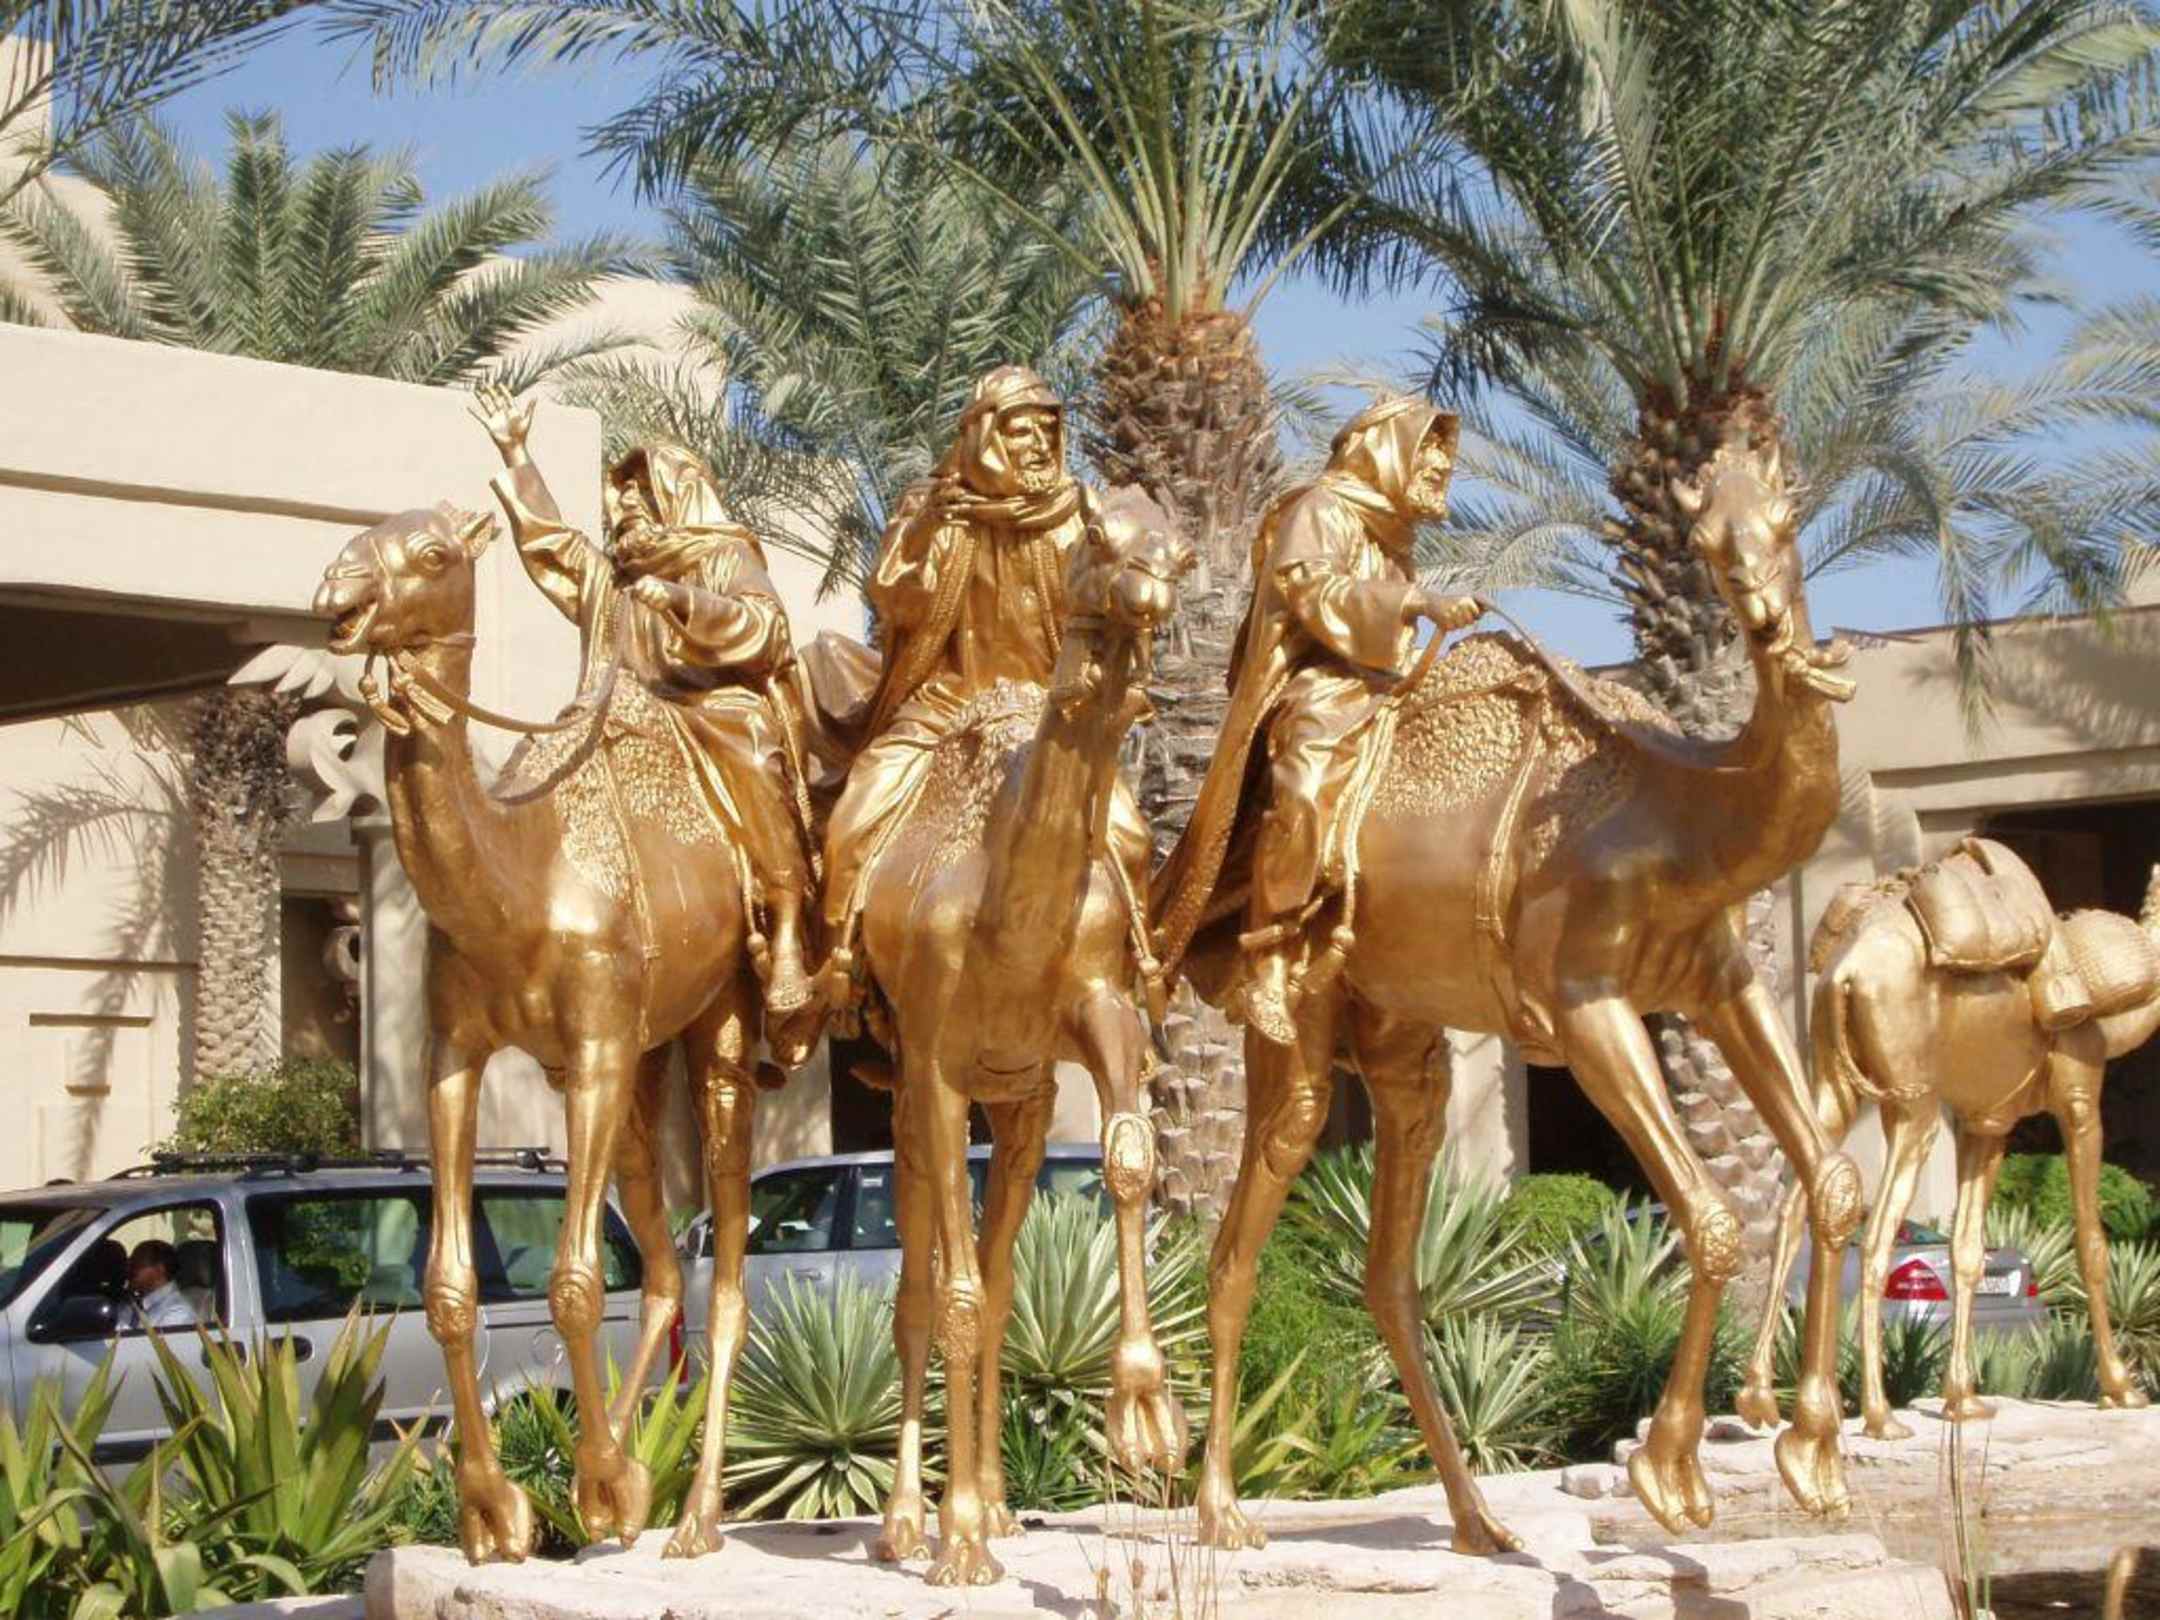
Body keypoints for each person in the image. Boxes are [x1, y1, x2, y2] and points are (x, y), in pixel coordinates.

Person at [472, 384, 819, 1019]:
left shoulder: (721, 555)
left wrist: (685, 601)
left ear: (676, 495)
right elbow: (551, 544)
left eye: (641, 490)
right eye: (622, 493)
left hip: (707, 712)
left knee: (756, 762)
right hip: (620, 713)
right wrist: (516, 453)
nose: (626, 502)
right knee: (540, 760)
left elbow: (766, 628)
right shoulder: (610, 578)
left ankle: (788, 927)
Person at [1152, 396, 1482, 1044]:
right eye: (1429, 457)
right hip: (1317, 687)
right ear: (1388, 451)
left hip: (1380, 688)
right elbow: (1312, 589)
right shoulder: (1322, 509)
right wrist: (1414, 601)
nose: (1440, 471)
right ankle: (1268, 957)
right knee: (1303, 788)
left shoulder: (1392, 536)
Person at [815, 364, 1151, 999]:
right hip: (945, 709)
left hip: (1047, 710)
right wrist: (922, 529)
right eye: (1022, 430)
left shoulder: (1078, 515)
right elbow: (894, 602)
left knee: (1130, 836)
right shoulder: (936, 510)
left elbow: (1115, 591)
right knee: (853, 821)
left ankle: (1135, 967)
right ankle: (841, 968)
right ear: (985, 436)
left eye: (1047, 431)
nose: (1039, 444)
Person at [126, 1239, 198, 1332]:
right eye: (129, 1264)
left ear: (159, 1269)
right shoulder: (136, 1304)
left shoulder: (177, 1313)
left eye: (137, 1264)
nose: (129, 1269)